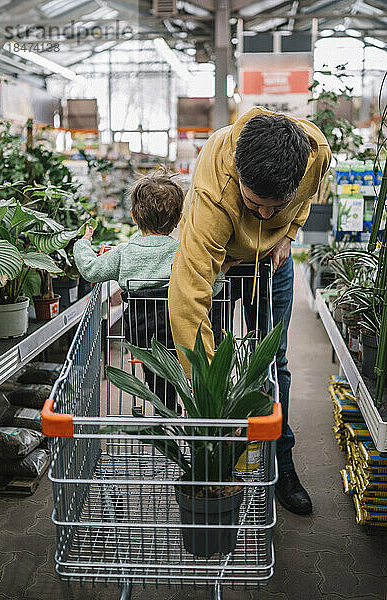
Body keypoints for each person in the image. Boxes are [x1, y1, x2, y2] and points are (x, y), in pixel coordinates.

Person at [168, 107, 332, 515]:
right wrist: (211, 394)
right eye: (254, 203)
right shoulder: (214, 192)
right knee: (218, 357)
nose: (263, 215)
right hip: (221, 264)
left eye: (274, 206)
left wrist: (286, 233)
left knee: (273, 363)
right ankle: (219, 461)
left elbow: (309, 194)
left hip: (273, 265)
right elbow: (188, 299)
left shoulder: (316, 153)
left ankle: (281, 460)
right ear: (238, 178)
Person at [73, 166, 234, 409]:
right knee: (191, 370)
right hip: (182, 332)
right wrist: (222, 271)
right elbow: (211, 288)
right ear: (180, 218)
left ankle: (166, 412)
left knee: (156, 373)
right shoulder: (184, 254)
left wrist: (83, 244)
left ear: (134, 216)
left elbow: (91, 270)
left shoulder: (124, 253)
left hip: (143, 334)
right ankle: (198, 410)